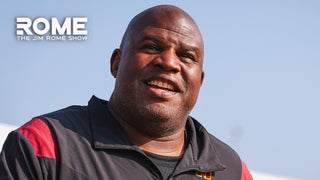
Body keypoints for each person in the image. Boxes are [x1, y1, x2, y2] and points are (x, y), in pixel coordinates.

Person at [0, 5, 252, 180]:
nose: (169, 63)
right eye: (152, 47)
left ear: (200, 80)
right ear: (116, 63)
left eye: (186, 56)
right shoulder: (45, 144)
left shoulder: (232, 170)